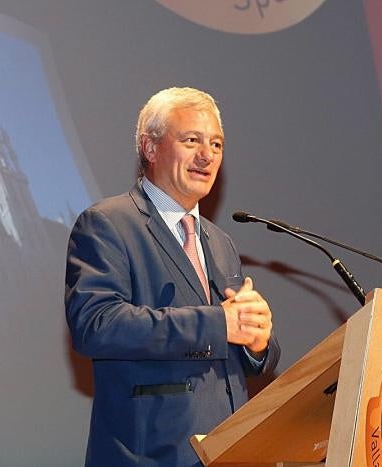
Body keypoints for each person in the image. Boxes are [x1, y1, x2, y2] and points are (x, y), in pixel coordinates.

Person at [65, 87, 280, 466]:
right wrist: (219, 323)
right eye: (192, 140)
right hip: (148, 454)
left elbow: (233, 349)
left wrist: (257, 342)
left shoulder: (220, 241)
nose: (207, 155)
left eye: (216, 144)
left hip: (228, 453)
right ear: (150, 148)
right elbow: (96, 324)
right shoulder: (108, 224)